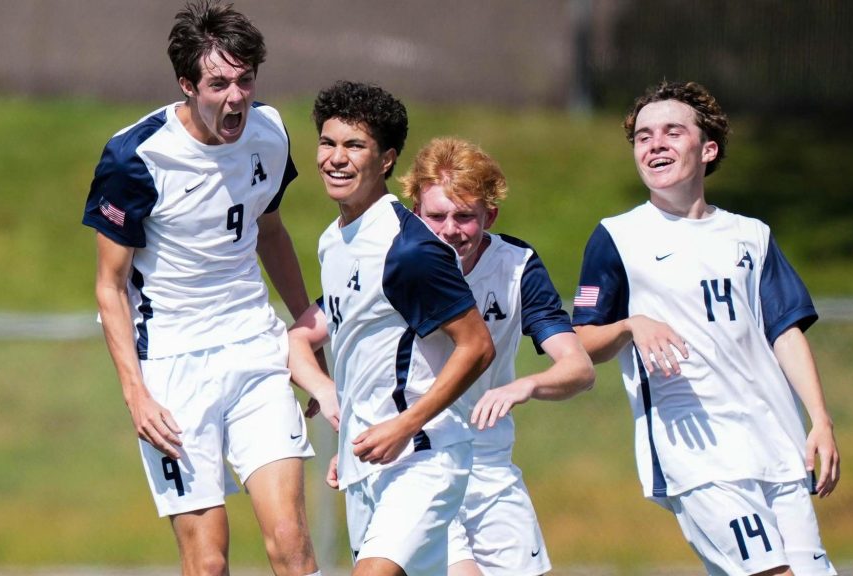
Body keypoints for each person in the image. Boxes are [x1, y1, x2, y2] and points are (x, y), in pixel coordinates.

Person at [81, 2, 327, 575]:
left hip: (254, 347)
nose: (236, 97)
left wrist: (306, 323)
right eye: (219, 83)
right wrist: (136, 395)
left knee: (291, 541)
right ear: (187, 84)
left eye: (246, 80)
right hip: (172, 367)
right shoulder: (136, 156)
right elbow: (109, 288)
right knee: (209, 561)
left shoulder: (269, 133)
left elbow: (269, 228)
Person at [572, 80, 840, 576]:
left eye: (672, 132)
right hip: (698, 457)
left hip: (776, 446)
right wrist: (632, 324)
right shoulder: (618, 236)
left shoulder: (751, 236)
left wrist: (819, 419)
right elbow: (581, 342)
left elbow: (785, 332)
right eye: (643, 136)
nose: (655, 144)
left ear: (708, 148)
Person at [287, 81, 496, 576]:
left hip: (422, 456)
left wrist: (406, 424)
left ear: (385, 160)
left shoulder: (409, 249)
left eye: (354, 146)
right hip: (366, 465)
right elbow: (322, 339)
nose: (336, 158)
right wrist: (331, 395)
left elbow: (476, 346)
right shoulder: (331, 242)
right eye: (328, 142)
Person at [400, 137, 595, 576]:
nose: (451, 229)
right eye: (436, 216)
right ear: (414, 212)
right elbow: (315, 330)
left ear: (490, 215)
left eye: (465, 216)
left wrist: (525, 385)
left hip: (490, 462)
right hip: (418, 460)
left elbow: (578, 368)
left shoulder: (518, 266)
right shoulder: (396, 265)